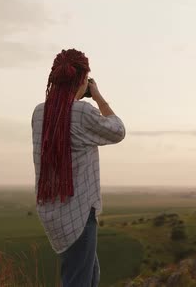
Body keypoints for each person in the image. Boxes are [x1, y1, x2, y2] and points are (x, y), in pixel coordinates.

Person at [31, 48, 125, 287]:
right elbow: (117, 130)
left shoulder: (40, 113)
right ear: (82, 79)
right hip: (79, 211)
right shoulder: (82, 112)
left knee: (89, 274)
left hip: (53, 209)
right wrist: (98, 96)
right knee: (78, 280)